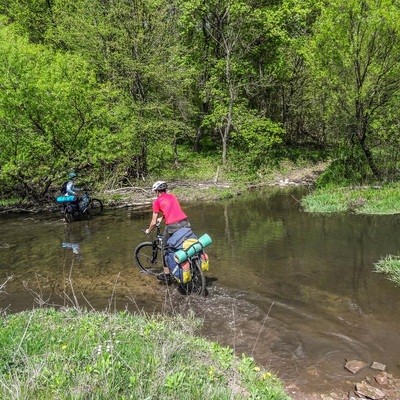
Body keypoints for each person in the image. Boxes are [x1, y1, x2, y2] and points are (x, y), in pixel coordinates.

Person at [145, 181, 191, 283]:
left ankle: (167, 277)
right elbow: (172, 210)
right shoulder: (172, 196)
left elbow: (153, 222)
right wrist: (163, 218)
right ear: (165, 190)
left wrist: (148, 230)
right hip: (185, 222)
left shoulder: (156, 202)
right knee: (184, 245)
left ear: (157, 192)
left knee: (165, 249)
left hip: (173, 226)